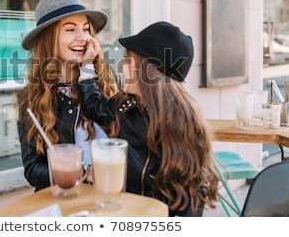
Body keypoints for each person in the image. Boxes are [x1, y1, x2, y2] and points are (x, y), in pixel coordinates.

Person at [78, 21, 219, 216]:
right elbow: (94, 106)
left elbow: (190, 206)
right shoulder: (125, 106)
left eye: (128, 59)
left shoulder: (182, 124)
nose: (122, 64)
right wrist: (86, 65)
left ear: (146, 71)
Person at [17, 0, 119, 192]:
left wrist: (87, 69)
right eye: (70, 30)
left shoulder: (111, 82)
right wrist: (81, 173)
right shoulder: (32, 98)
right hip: (68, 203)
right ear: (49, 39)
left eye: (86, 28)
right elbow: (33, 169)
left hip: (114, 199)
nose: (83, 38)